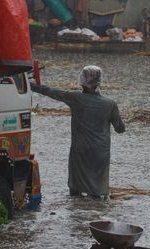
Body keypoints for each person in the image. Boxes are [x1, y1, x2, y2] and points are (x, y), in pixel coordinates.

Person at [30, 66, 125, 200]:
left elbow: (50, 91)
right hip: (100, 151)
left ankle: (76, 214)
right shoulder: (110, 104)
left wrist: (29, 85)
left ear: (82, 82)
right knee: (97, 190)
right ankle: (95, 213)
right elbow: (120, 128)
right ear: (99, 82)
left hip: (80, 149)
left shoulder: (75, 98)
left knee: (75, 189)